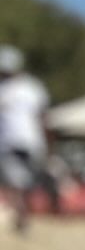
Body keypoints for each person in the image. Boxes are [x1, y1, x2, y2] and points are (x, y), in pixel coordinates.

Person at [0, 45, 54, 233]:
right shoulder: (32, 87)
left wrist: (48, 145)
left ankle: (23, 217)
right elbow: (44, 118)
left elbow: (43, 117)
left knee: (24, 184)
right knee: (17, 183)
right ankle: (23, 218)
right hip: (14, 144)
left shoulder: (30, 88)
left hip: (27, 143)